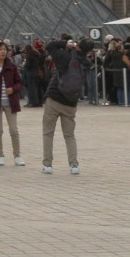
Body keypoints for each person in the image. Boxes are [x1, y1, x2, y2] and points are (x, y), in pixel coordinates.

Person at [41, 38, 84, 175]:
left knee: (48, 133)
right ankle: (74, 165)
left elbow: (50, 45)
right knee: (69, 135)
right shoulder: (83, 59)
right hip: (71, 102)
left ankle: (47, 164)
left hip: (54, 98)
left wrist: (65, 44)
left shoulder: (61, 56)